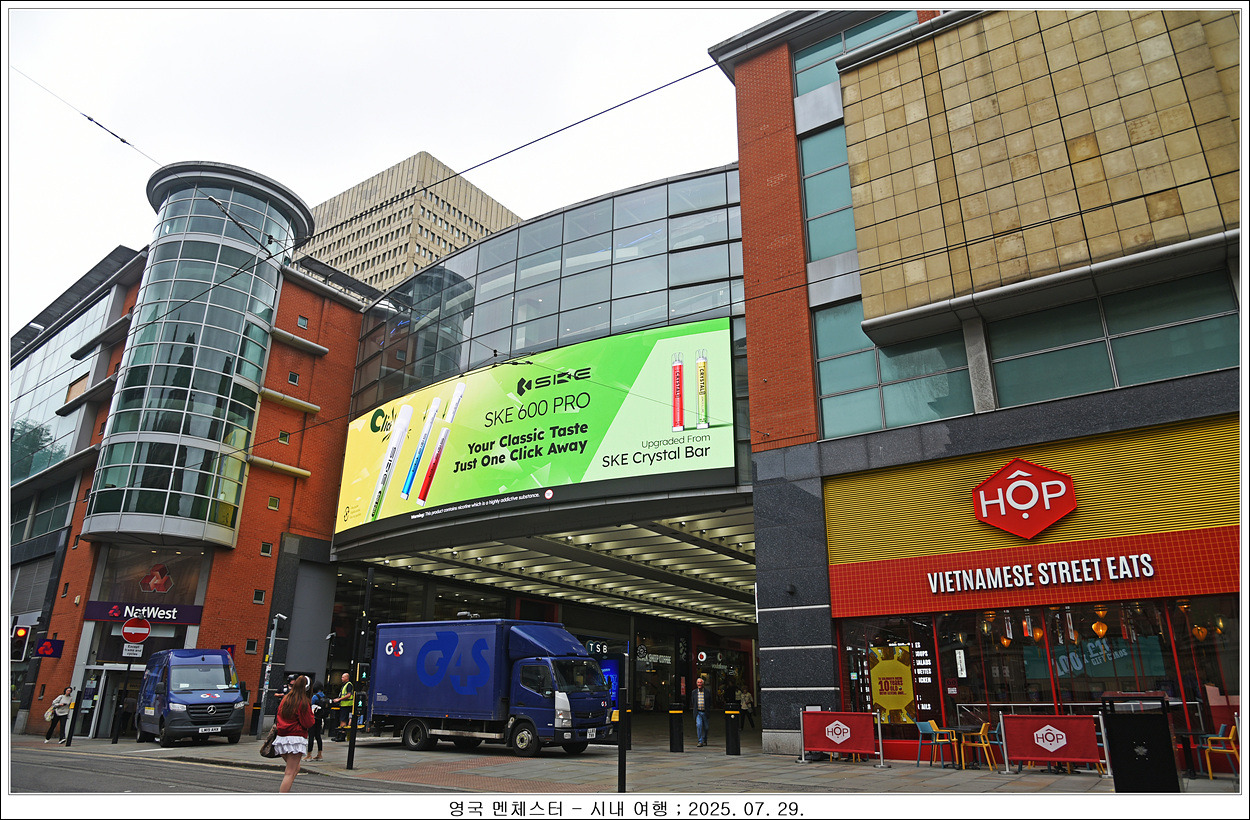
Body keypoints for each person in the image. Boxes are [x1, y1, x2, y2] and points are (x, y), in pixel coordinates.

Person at [274, 674, 315, 793]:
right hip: (295, 739)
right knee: (290, 772)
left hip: (281, 738)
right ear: (307, 688)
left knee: (295, 769)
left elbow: (278, 716)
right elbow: (308, 722)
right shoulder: (303, 702)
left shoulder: (285, 699)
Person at [306, 681, 327, 761]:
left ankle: (309, 755)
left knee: (311, 736)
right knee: (318, 736)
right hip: (320, 718)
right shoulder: (324, 696)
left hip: (313, 718)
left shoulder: (315, 697)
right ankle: (319, 754)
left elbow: (310, 705)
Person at [331, 672, 354, 741]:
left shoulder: (349, 685)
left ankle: (342, 735)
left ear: (347, 678)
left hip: (347, 705)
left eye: (343, 677)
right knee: (343, 719)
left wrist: (339, 699)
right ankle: (340, 734)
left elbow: (349, 695)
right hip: (344, 704)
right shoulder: (345, 685)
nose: (341, 678)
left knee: (343, 720)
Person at [690, 677, 710, 747]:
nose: (699, 684)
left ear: (703, 684)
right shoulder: (694, 692)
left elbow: (709, 702)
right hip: (698, 712)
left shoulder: (707, 692)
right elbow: (693, 701)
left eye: (700, 682)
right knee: (699, 725)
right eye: (698, 682)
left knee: (706, 727)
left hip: (705, 712)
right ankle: (700, 741)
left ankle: (704, 739)